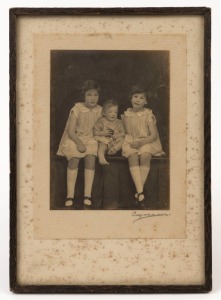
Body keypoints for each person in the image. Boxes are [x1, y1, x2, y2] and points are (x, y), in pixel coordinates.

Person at [57, 80, 102, 208]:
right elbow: (71, 131)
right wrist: (79, 143)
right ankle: (69, 195)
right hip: (75, 138)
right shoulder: (77, 109)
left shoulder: (100, 110)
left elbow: (101, 128)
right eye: (89, 95)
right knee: (74, 159)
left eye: (95, 95)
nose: (93, 98)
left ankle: (87, 195)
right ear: (84, 95)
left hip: (92, 139)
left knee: (91, 158)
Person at [121, 84, 164, 207]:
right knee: (132, 155)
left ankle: (138, 192)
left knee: (145, 155)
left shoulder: (148, 115)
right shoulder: (126, 115)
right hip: (130, 141)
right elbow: (124, 131)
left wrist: (141, 142)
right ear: (131, 99)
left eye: (141, 98)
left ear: (146, 102)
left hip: (147, 141)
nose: (137, 100)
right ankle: (140, 192)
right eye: (135, 96)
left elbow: (153, 135)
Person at [93, 99, 125, 165]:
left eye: (115, 112)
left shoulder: (119, 122)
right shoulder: (101, 121)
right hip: (104, 141)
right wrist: (102, 133)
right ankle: (101, 157)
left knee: (124, 140)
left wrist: (116, 136)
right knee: (101, 145)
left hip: (115, 141)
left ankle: (114, 149)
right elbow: (95, 132)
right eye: (110, 112)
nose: (113, 114)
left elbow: (123, 132)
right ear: (104, 113)